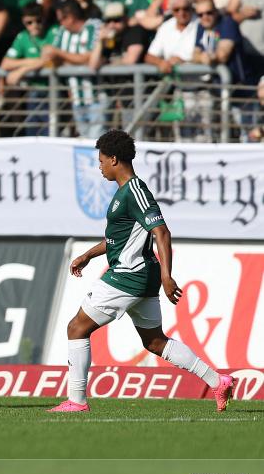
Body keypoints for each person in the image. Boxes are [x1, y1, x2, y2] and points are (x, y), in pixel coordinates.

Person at [48, 130, 234, 413]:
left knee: (77, 327)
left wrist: (167, 275)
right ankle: (218, 381)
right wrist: (87, 254)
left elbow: (161, 232)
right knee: (155, 341)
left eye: (100, 161)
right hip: (141, 277)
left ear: (113, 159)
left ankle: (77, 401)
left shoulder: (135, 191)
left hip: (128, 276)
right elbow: (118, 239)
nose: (98, 167)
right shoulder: (124, 193)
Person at [42, 0, 106, 138]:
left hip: (96, 98)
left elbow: (90, 58)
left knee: (97, 142)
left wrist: (62, 55)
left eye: (61, 19)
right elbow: (51, 57)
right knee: (84, 140)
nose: (60, 23)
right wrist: (67, 57)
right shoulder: (62, 32)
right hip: (76, 99)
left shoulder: (94, 26)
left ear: (70, 17)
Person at [191, 0, 248, 139]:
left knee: (245, 134)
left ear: (215, 11)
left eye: (209, 12)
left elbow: (223, 54)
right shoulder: (201, 27)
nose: (205, 17)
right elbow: (194, 54)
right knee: (215, 133)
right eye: (200, 14)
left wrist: (210, 57)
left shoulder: (227, 23)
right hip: (215, 90)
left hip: (239, 91)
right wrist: (204, 57)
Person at [1, 2, 59, 135]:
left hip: (54, 91)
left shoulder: (54, 32)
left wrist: (22, 70)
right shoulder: (22, 37)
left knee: (51, 132)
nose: (34, 26)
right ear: (23, 22)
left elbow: (51, 61)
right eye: (29, 22)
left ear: (43, 19)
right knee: (32, 132)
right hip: (32, 93)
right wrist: (33, 61)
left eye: (38, 21)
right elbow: (6, 63)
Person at [145, 0, 200, 76]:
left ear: (191, 8)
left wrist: (184, 63)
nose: (181, 13)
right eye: (176, 9)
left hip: (202, 84)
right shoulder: (165, 27)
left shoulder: (201, 24)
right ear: (171, 10)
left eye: (185, 8)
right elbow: (149, 56)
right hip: (174, 85)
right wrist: (161, 63)